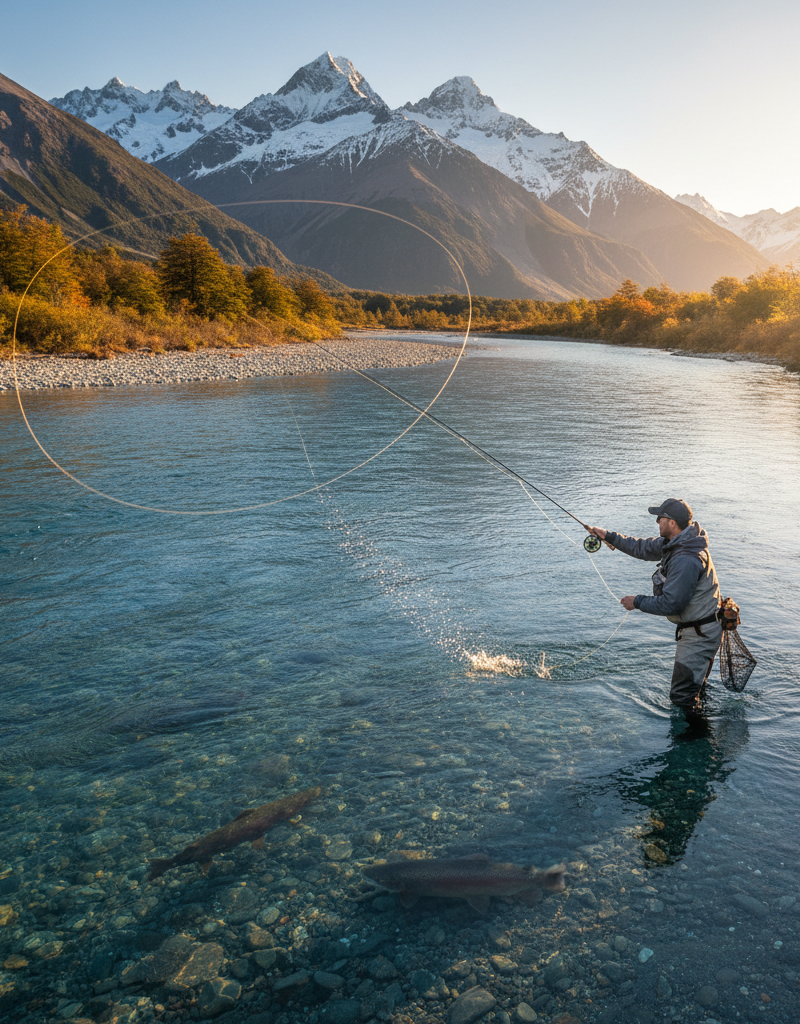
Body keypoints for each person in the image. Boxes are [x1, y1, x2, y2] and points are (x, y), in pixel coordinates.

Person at [588, 499, 722, 717]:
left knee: (681, 696)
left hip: (700, 634)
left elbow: (672, 603)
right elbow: (641, 547)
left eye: (660, 518)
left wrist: (636, 602)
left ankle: (693, 743)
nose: (657, 521)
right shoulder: (677, 542)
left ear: (671, 523)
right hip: (701, 628)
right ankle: (701, 730)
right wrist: (607, 536)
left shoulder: (686, 558)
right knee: (693, 691)